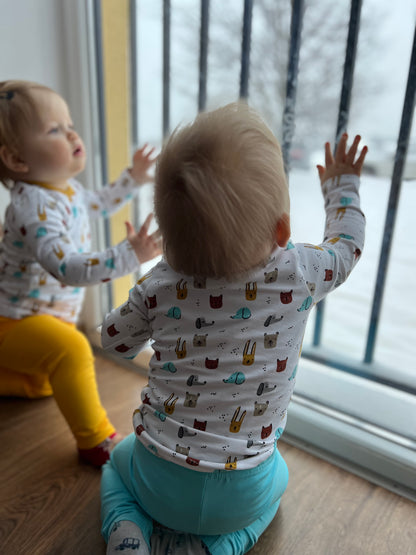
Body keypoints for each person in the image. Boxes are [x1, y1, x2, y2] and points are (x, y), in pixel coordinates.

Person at [100, 102, 367, 555]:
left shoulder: (158, 284)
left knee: (115, 465)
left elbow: (114, 341)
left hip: (157, 478)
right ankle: (220, 547)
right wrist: (342, 187)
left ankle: (127, 533)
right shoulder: (300, 271)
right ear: (282, 228)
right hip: (241, 492)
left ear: (169, 234)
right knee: (278, 481)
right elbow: (346, 248)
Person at [0, 80, 161, 467]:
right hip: (11, 322)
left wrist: (132, 179)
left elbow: (99, 203)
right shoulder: (31, 209)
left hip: (39, 319)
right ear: (17, 160)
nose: (72, 132)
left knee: (44, 382)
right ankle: (96, 442)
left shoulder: (64, 189)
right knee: (70, 350)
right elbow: (68, 269)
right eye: (54, 129)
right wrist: (127, 255)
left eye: (68, 123)